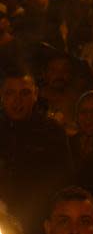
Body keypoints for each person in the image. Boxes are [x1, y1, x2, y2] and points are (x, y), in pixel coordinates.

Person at [0, 65, 73, 234]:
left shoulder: (52, 132)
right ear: (2, 96)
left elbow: (65, 180)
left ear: (35, 94)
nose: (17, 101)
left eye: (24, 93)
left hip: (39, 222)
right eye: (10, 93)